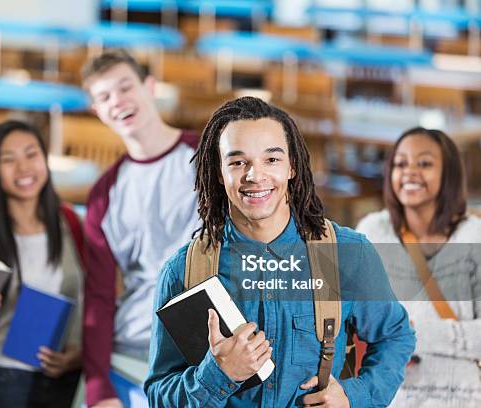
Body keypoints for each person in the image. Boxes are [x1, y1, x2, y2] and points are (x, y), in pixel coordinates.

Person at [145, 96, 416, 406]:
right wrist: (219, 373)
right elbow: (159, 393)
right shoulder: (182, 272)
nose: (255, 176)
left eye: (271, 159)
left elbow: (396, 336)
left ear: (292, 166)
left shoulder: (347, 254)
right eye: (237, 162)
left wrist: (355, 397)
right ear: (220, 173)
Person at [81, 49, 200, 407]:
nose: (117, 101)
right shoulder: (105, 194)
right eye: (104, 97)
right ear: (97, 112)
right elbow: (99, 297)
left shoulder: (210, 157)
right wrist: (98, 386)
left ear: (150, 87)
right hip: (132, 353)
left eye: (125, 87)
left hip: (207, 349)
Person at [0, 120, 85, 408]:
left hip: (64, 377)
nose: (24, 168)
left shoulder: (69, 222)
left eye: (31, 154)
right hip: (7, 381)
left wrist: (77, 355)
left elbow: (85, 297)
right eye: (8, 160)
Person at [356, 127, 481, 407]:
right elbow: (358, 318)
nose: (410, 171)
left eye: (424, 163)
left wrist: (405, 335)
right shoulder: (373, 232)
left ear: (448, 174)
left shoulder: (475, 237)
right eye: (401, 164)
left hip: (460, 398)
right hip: (391, 397)